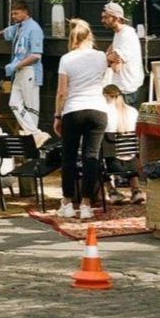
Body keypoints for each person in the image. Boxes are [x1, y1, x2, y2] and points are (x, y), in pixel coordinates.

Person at [53, 18, 108, 220]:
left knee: (68, 157)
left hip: (73, 110)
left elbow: (61, 92)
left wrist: (57, 115)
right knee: (91, 157)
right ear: (90, 36)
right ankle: (86, 203)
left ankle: (67, 201)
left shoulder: (66, 59)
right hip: (97, 109)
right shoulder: (101, 56)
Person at [0, 1, 45, 141]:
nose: (13, 16)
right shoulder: (19, 27)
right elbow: (7, 31)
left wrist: (15, 66)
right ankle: (35, 134)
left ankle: (34, 138)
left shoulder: (34, 29)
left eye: (16, 13)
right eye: (12, 13)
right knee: (14, 103)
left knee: (31, 107)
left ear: (25, 12)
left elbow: (36, 55)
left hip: (29, 70)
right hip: (18, 72)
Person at [101, 84, 144, 204]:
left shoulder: (104, 112)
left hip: (112, 162)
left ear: (106, 96)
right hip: (132, 159)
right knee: (127, 150)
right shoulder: (133, 111)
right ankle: (136, 190)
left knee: (96, 155)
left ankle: (111, 191)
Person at [101, 1, 145, 107]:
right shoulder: (118, 33)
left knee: (125, 122)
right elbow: (111, 53)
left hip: (127, 89)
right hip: (120, 86)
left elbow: (116, 67)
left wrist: (107, 59)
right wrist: (108, 57)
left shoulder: (127, 35)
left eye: (106, 17)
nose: (102, 20)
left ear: (116, 18)